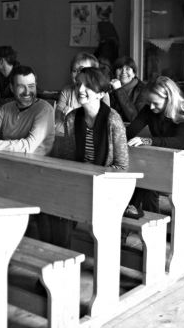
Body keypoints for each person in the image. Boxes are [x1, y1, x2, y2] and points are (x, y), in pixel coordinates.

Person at [51, 67, 130, 246]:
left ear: (101, 93)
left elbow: (121, 166)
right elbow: (69, 158)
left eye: (88, 86)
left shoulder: (113, 120)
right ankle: (60, 254)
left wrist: (94, 178)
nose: (80, 89)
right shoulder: (72, 118)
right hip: (80, 182)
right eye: (78, 84)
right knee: (52, 201)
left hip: (107, 184)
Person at [126, 75, 184, 212]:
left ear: (169, 99)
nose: (151, 107)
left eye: (156, 103)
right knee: (142, 174)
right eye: (149, 102)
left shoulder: (183, 112)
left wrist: (147, 141)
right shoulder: (149, 109)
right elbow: (131, 131)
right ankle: (135, 211)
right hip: (162, 162)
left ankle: (143, 215)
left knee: (149, 178)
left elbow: (178, 143)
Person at [0, 65, 54, 155]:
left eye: (31, 86)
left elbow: (29, 146)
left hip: (36, 162)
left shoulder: (44, 110)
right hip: (6, 159)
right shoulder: (6, 108)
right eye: (21, 86)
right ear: (12, 88)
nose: (27, 92)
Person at [55, 52, 109, 134]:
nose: (78, 74)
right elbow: (58, 124)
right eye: (74, 70)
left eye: (82, 70)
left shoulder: (102, 94)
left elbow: (103, 126)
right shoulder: (66, 91)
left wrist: (73, 118)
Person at [109, 56, 148, 122]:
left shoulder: (143, 90)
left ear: (134, 73)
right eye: (120, 68)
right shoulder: (110, 88)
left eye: (127, 69)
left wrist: (119, 90)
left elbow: (135, 118)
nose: (123, 72)